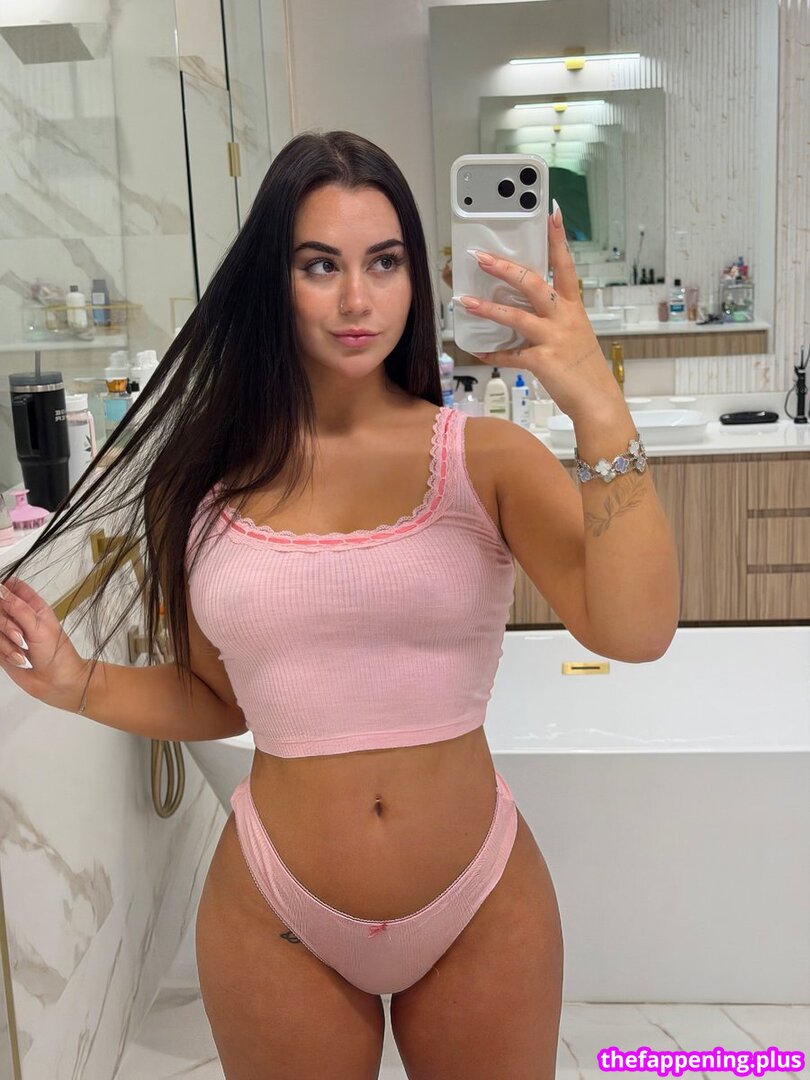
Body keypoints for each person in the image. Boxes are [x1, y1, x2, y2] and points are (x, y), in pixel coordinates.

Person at [0, 130, 679, 1079]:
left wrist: (598, 405)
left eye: (385, 262)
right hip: (276, 909)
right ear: (271, 283)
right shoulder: (198, 488)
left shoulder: (487, 459)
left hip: (479, 898)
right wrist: (79, 683)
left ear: (416, 278)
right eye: (319, 264)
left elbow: (638, 632)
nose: (358, 299)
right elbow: (218, 700)